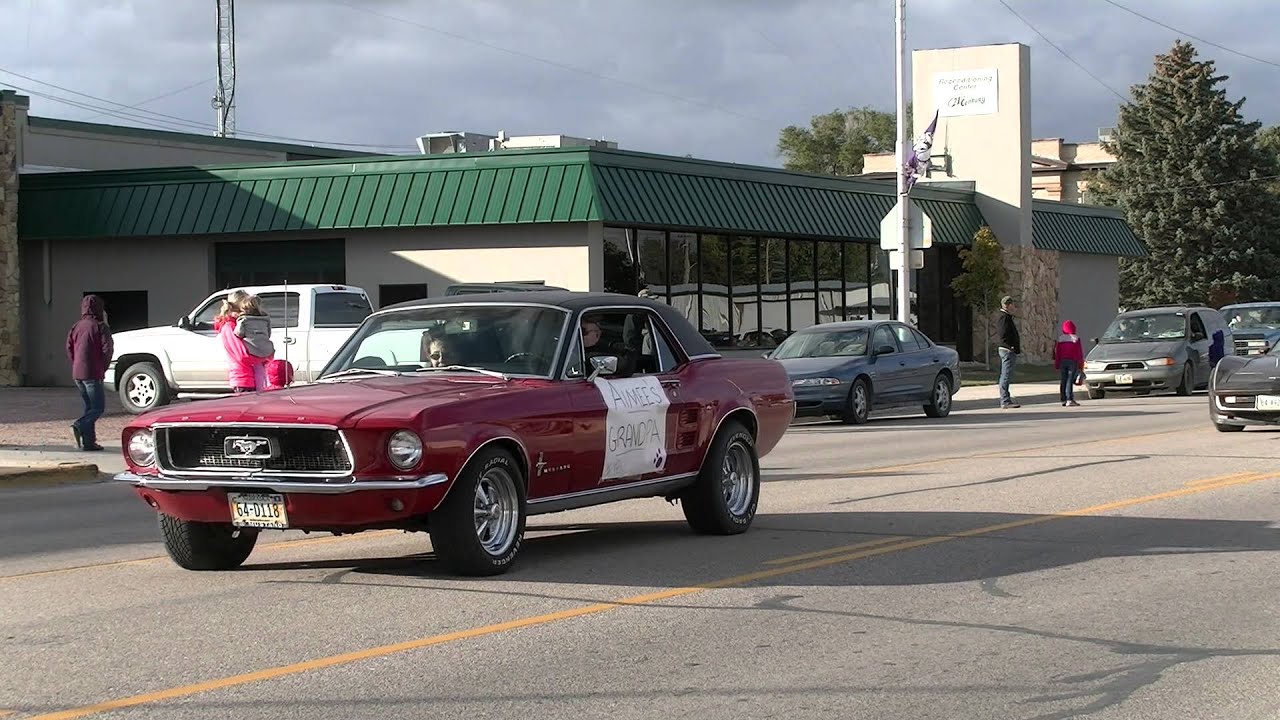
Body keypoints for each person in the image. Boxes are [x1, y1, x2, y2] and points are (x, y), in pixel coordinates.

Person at [66, 294, 113, 451]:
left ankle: (88, 442)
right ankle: (79, 424)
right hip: (93, 372)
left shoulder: (76, 326)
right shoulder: (100, 326)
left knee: (89, 408)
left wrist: (76, 364)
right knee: (98, 408)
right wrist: (102, 367)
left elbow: (69, 348)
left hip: (78, 373)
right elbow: (107, 350)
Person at [214, 291, 270, 393]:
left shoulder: (243, 324)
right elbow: (242, 356)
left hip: (253, 378)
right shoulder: (230, 326)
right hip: (244, 379)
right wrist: (264, 356)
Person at [996, 295, 1021, 409]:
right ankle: (1005, 400)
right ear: (1007, 305)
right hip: (1007, 350)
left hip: (1008, 350)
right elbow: (1003, 334)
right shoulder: (1004, 318)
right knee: (1005, 375)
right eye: (1012, 304)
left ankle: (1006, 399)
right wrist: (1011, 346)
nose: (1014, 307)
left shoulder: (1007, 317)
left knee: (1007, 375)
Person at [1054, 319, 1085, 407]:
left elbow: (1058, 353)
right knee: (1069, 380)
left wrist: (1057, 363)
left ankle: (1063, 398)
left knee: (1063, 380)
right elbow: (1079, 352)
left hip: (1063, 361)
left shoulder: (1060, 339)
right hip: (1072, 361)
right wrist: (1080, 363)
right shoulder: (1076, 339)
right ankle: (1069, 399)